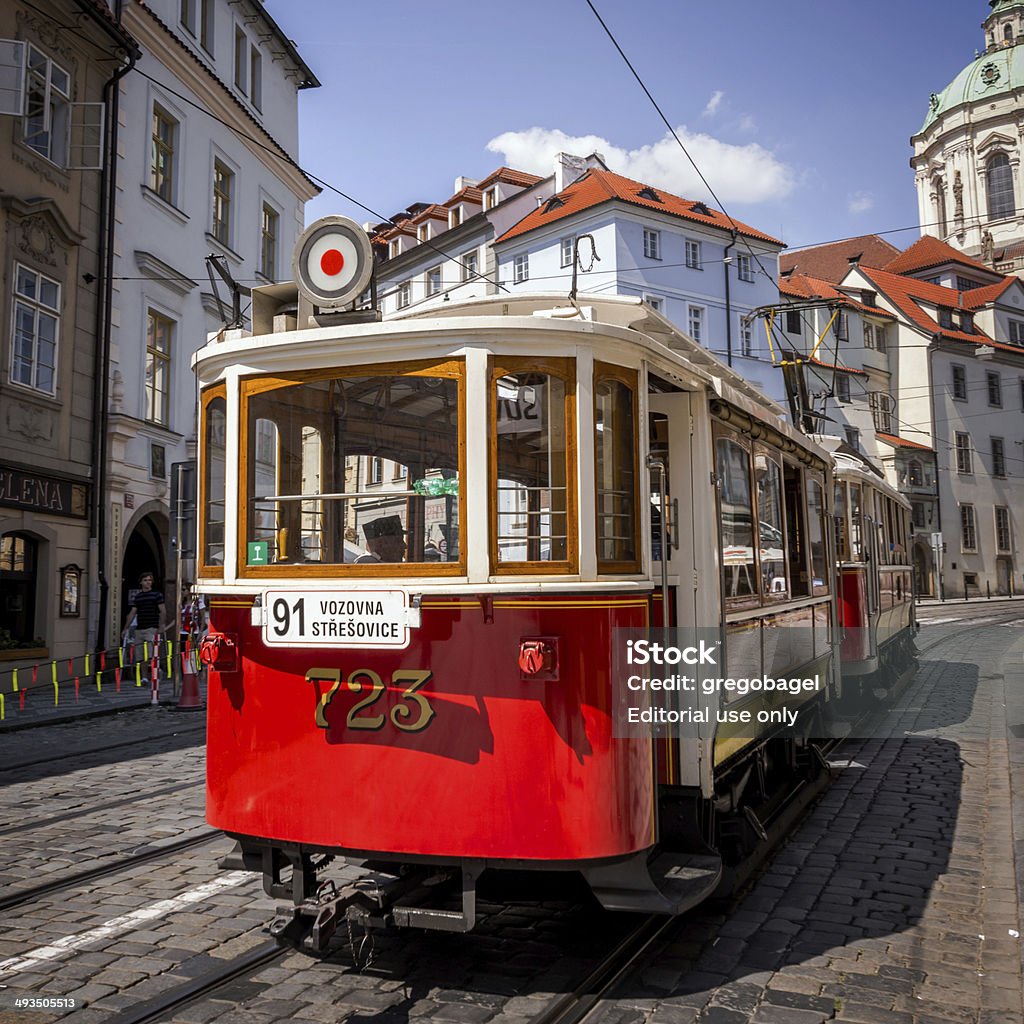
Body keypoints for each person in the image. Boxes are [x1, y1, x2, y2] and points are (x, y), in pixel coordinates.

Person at [123, 571, 167, 656]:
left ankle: (153, 669)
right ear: (141, 582)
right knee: (140, 657)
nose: (148, 582)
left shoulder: (157, 595)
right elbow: (132, 613)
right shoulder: (138, 597)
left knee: (151, 655)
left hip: (151, 628)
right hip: (140, 629)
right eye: (145, 580)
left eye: (150, 580)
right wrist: (126, 628)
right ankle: (143, 670)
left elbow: (162, 611)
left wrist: (161, 625)